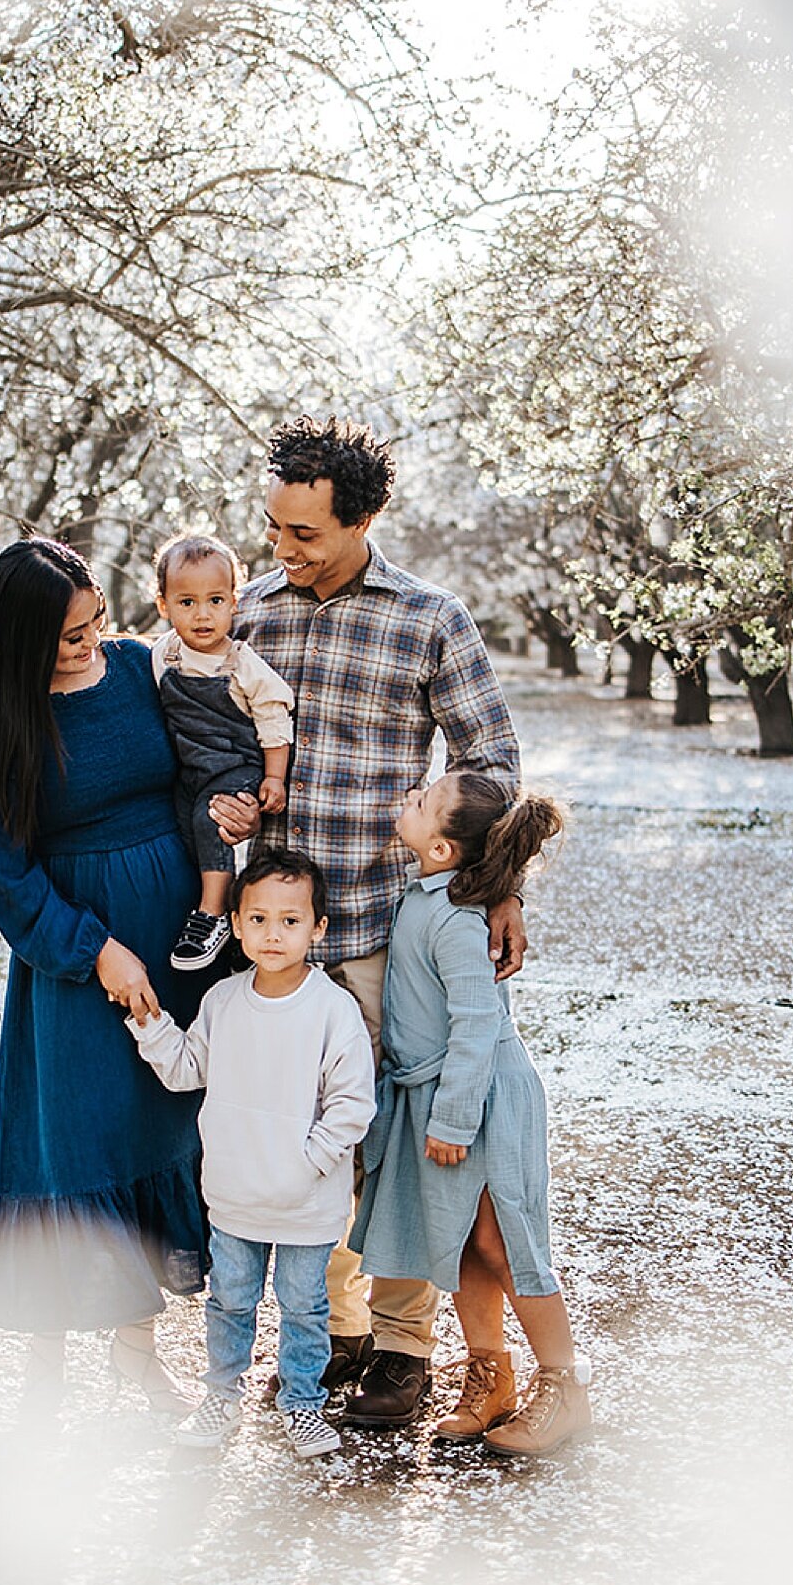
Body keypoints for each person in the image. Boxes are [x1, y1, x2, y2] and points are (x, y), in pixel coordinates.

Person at [227, 415, 526, 1434]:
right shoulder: (247, 612)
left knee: (393, 1145)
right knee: (303, 1139)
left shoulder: (430, 617)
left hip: (380, 933)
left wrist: (497, 885)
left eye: (304, 531)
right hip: (271, 936)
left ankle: (404, 1347)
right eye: (272, 525)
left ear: (364, 519)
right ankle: (333, 1327)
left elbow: (491, 764)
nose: (281, 547)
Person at [0, 537, 207, 1414]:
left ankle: (138, 1354)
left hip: (178, 949)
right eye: (64, 636)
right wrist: (96, 949)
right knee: (71, 1147)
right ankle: (43, 1373)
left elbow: (202, 763)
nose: (89, 642)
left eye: (94, 621)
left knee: (160, 1134)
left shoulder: (138, 669)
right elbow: (5, 877)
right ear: (19, 640)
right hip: (77, 960)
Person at [353, 770, 587, 1459]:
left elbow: (477, 1025)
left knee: (505, 1243)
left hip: (481, 1098)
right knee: (460, 1242)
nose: (409, 801)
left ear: (444, 850)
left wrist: (452, 1120)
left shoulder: (456, 921)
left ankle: (564, 1386)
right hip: (439, 1095)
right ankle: (491, 1377)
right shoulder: (427, 895)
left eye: (424, 802)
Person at [126, 845, 376, 1461]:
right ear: (235, 925)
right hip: (234, 1198)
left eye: (291, 921)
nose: (273, 934)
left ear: (317, 929)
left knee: (305, 1308)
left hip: (306, 1202)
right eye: (258, 919)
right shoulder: (223, 1002)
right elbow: (187, 1070)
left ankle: (302, 1405)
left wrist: (308, 1160)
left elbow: (352, 1104)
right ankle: (222, 1395)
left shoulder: (332, 1009)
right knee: (230, 1302)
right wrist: (154, 1027)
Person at [150, 532, 297, 974]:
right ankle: (201, 901)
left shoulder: (241, 661)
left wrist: (273, 778)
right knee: (181, 824)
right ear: (164, 606)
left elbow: (274, 719)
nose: (202, 615)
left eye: (215, 601)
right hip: (190, 768)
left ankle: (212, 915)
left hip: (235, 766)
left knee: (209, 819)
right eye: (187, 602)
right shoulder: (164, 655)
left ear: (235, 602)